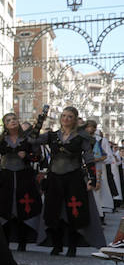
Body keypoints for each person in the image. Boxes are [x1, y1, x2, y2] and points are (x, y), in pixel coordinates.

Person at [29, 106, 104, 256]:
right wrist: (40, 121)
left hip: (74, 177)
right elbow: (32, 139)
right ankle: (57, 245)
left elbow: (88, 158)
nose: (66, 119)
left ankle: (72, 246)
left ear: (75, 119)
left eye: (69, 116)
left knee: (74, 212)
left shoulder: (81, 137)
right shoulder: (52, 135)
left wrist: (92, 179)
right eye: (63, 115)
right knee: (53, 211)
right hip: (54, 177)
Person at [0, 112, 42, 251]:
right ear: (5, 124)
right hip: (6, 177)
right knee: (5, 209)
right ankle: (5, 242)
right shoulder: (0, 140)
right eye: (9, 120)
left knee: (24, 209)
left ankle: (23, 243)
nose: (12, 121)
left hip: (24, 177)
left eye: (14, 118)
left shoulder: (27, 139)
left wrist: (27, 156)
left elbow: (37, 157)